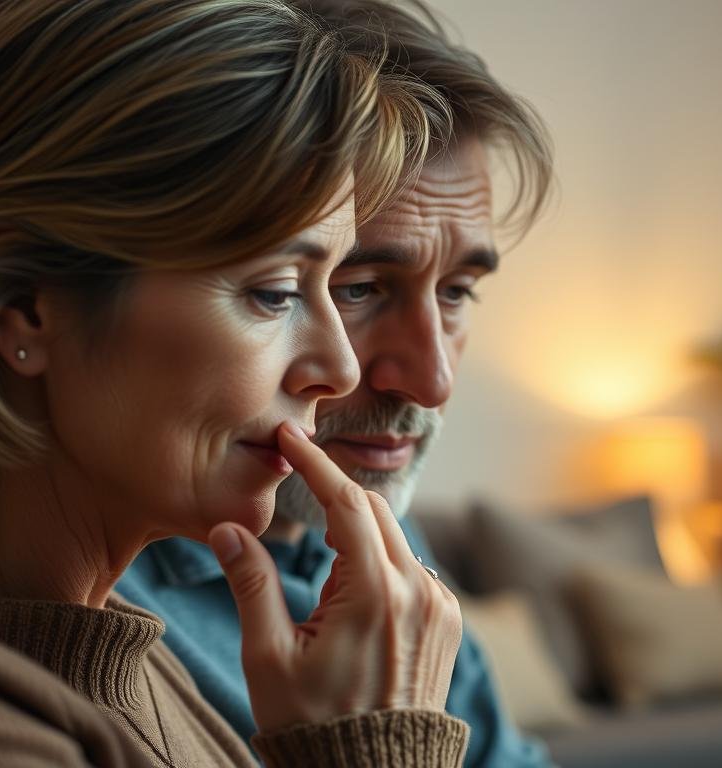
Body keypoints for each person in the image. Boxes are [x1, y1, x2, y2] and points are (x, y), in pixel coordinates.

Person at [0, 1, 471, 765]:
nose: (339, 369)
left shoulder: (107, 646)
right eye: (274, 292)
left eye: (336, 284)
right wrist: (373, 747)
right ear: (25, 309)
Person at [116, 2, 556, 766]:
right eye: (358, 287)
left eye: (456, 292)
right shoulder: (92, 622)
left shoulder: (374, 529)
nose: (431, 381)